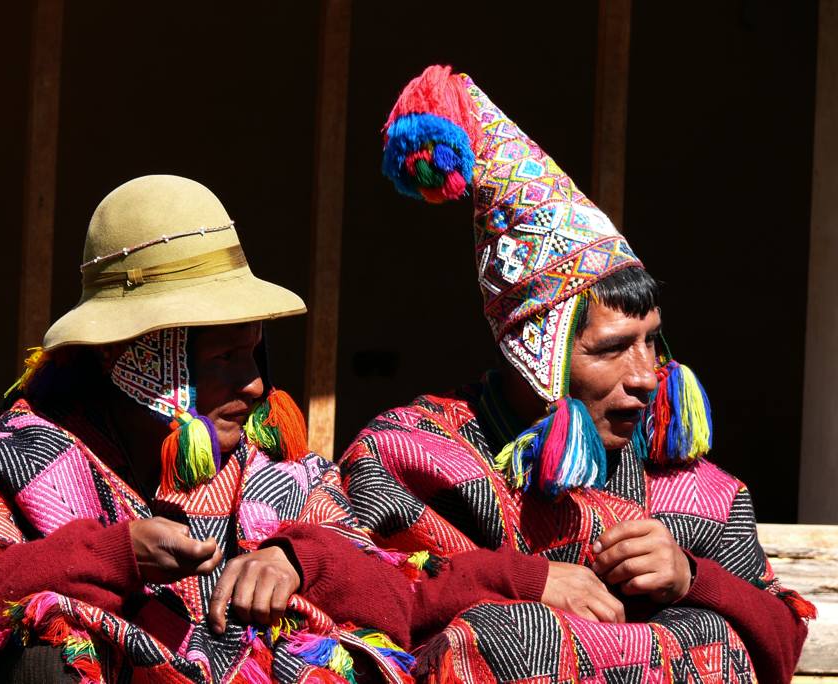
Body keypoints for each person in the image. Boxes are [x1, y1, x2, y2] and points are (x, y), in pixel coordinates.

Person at [0, 176, 558, 684]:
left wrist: (297, 560)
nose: (256, 385)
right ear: (143, 359)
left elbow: (401, 596)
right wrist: (113, 557)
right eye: (226, 359)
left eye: (253, 354)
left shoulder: (269, 468)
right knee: (43, 650)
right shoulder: (4, 467)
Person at [339, 66, 815, 683]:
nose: (647, 377)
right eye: (613, 349)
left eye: (654, 343)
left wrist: (695, 578)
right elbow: (357, 603)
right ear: (537, 355)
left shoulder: (702, 494)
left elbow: (780, 639)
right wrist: (522, 583)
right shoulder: (410, 456)